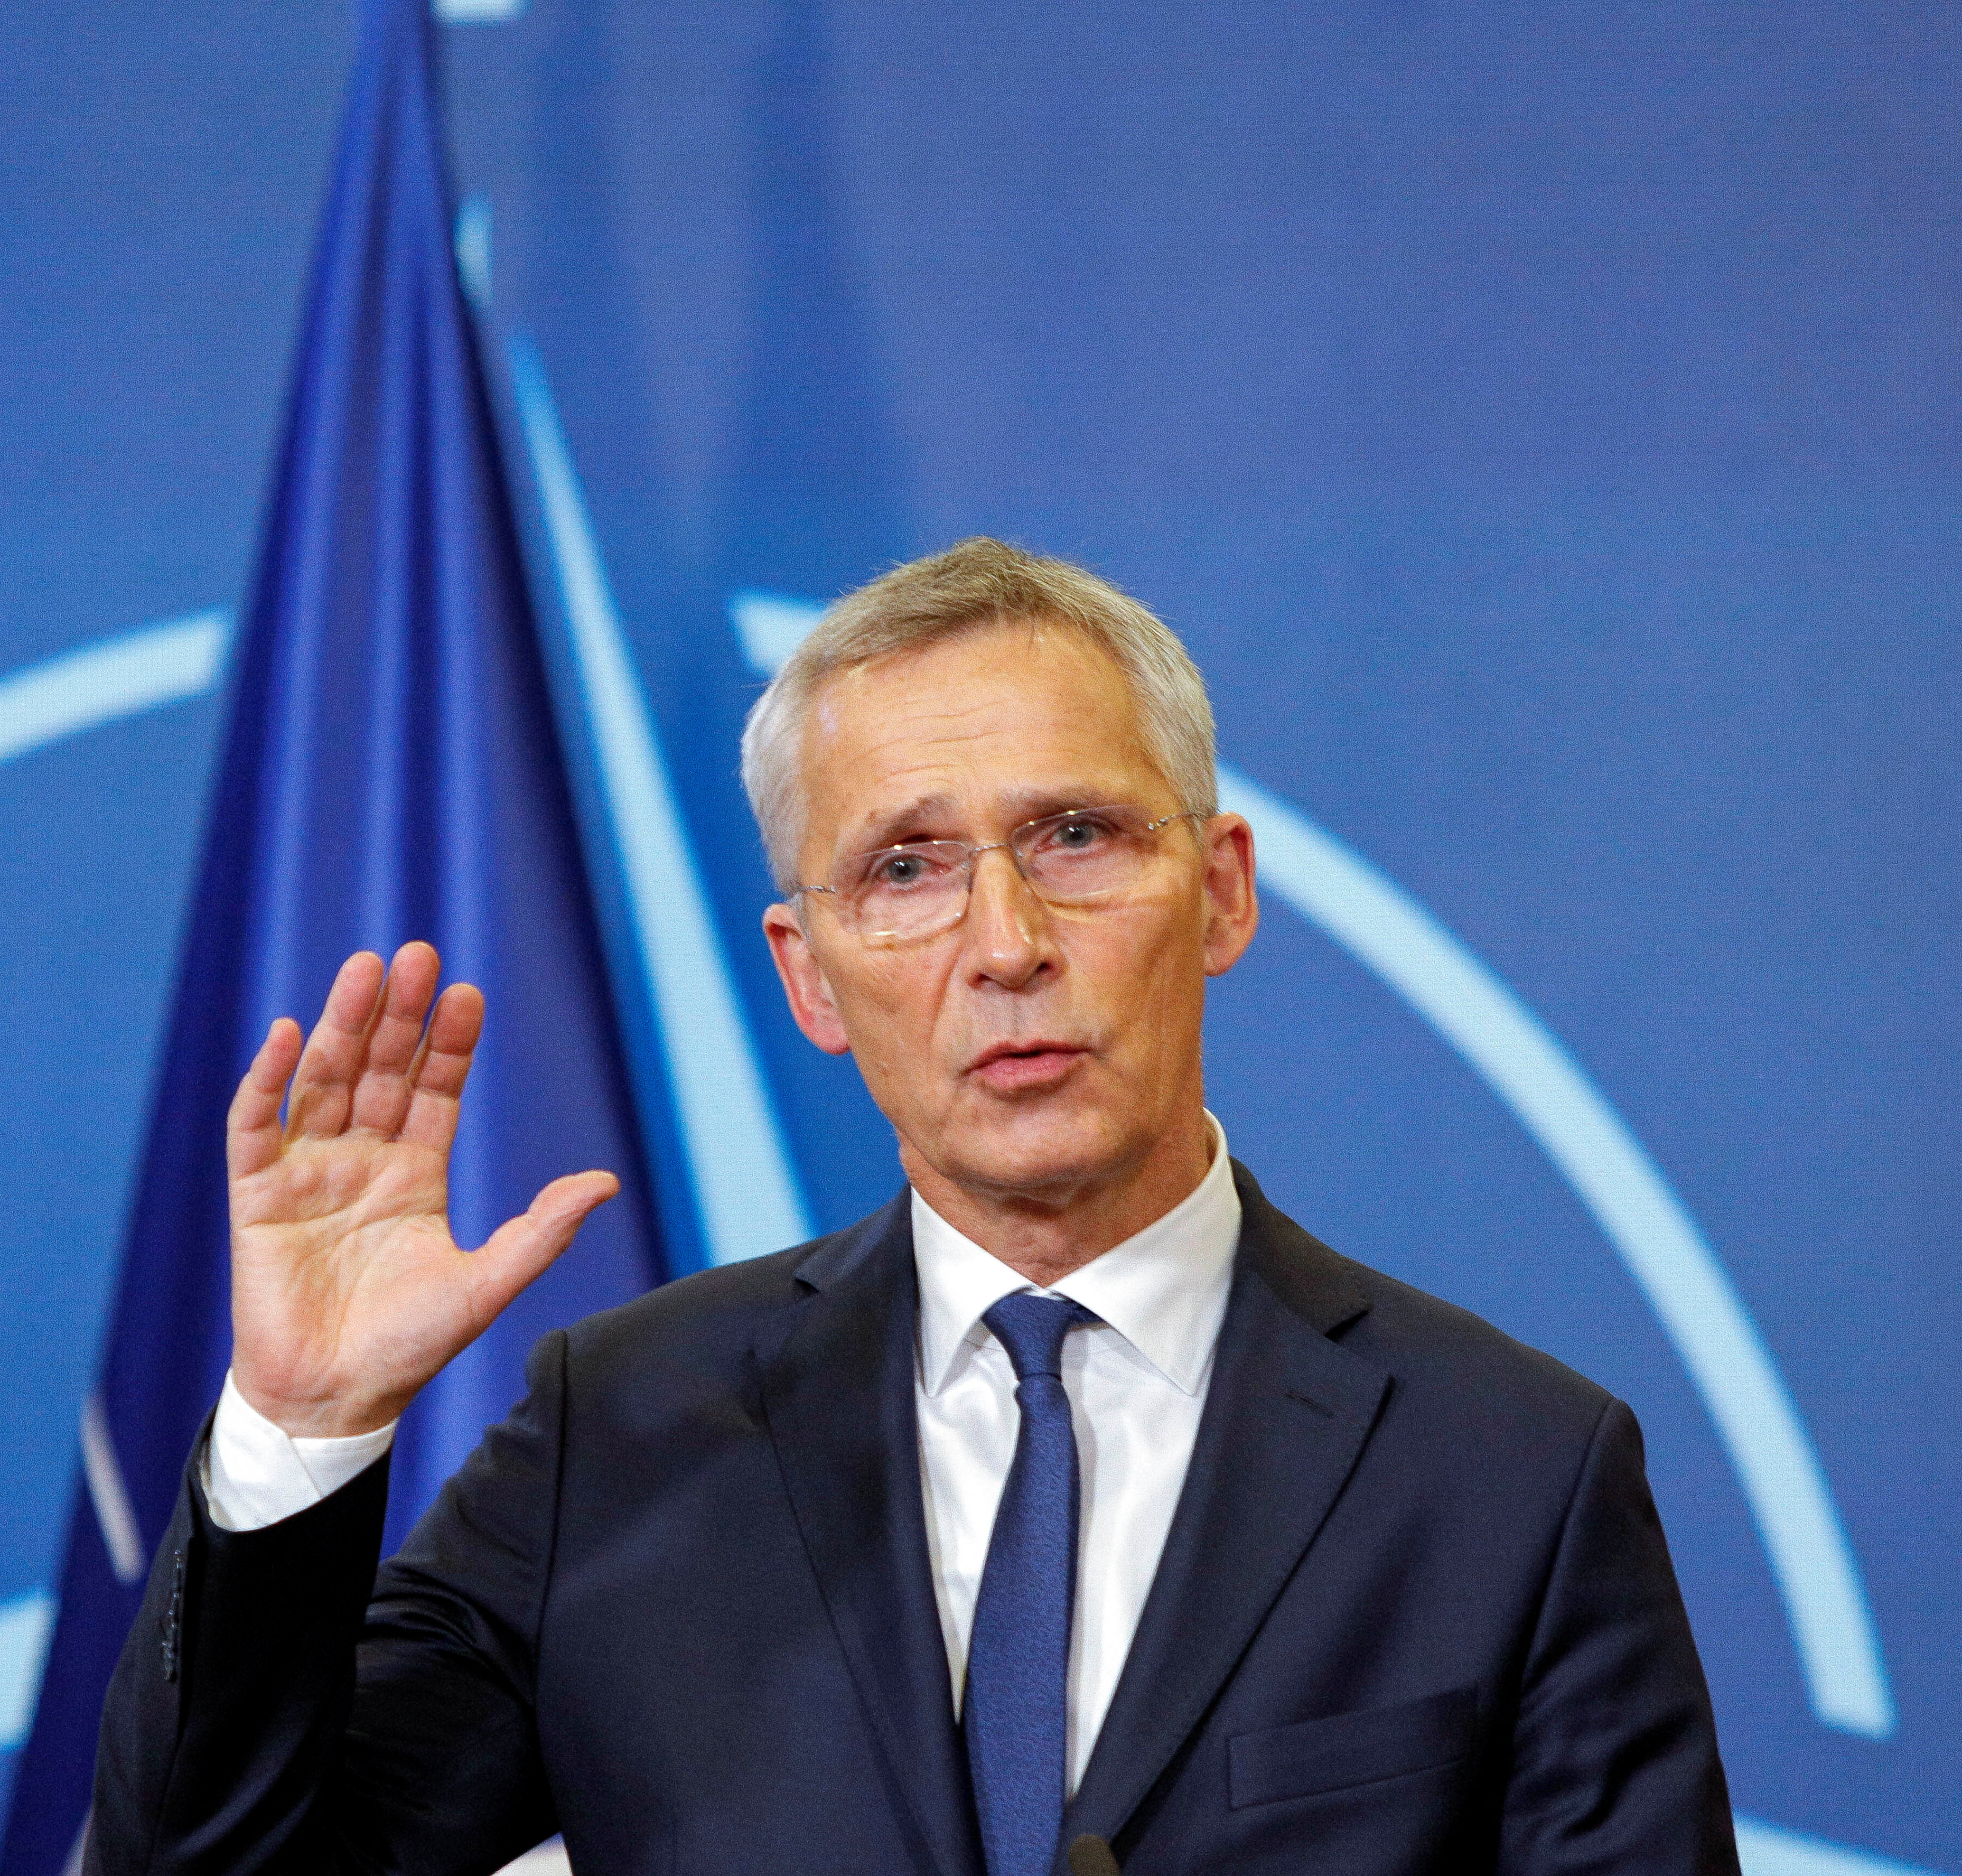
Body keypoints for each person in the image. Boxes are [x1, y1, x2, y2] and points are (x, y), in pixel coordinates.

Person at [86, 539, 1739, 1875]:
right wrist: (296, 1435)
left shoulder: (1511, 1469)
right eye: (903, 867)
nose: (1004, 940)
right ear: (807, 977)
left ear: (1219, 891)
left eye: (1074, 835)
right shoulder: (626, 1436)